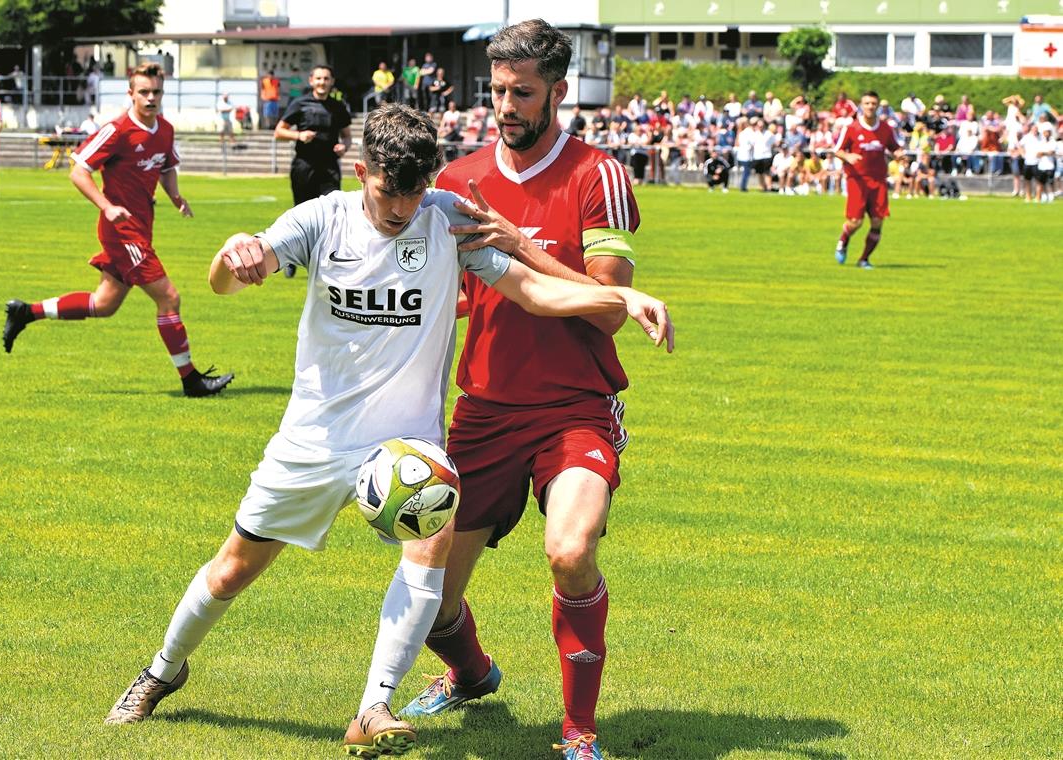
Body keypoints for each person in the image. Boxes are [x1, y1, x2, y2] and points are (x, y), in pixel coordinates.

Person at [101, 102, 672, 758]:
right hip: (315, 438)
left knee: (427, 547)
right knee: (233, 568)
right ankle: (162, 670)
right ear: (359, 169)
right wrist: (235, 259)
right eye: (387, 190)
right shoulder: (321, 218)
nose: (401, 208)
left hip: (407, 445)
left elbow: (535, 294)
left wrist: (622, 298)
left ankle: (374, 704)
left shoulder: (447, 220)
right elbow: (225, 282)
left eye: (414, 191)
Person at [396, 20, 663, 760]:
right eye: (498, 91)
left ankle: (578, 731)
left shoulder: (597, 174)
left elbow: (609, 305)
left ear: (558, 92)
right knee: (432, 597)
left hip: (574, 406)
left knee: (570, 550)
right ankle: (473, 674)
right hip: (482, 408)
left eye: (522, 93)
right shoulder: (457, 180)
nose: (506, 106)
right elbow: (446, 290)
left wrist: (522, 244)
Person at [1, 63, 233, 398]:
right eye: (144, 92)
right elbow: (78, 170)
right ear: (131, 94)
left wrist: (177, 197)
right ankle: (191, 380)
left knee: (104, 304)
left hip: (141, 229)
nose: (151, 98)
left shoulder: (165, 130)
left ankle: (26, 312)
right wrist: (106, 206)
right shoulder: (118, 130)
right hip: (123, 233)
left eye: (156, 92)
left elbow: (166, 167)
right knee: (169, 298)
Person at [275, 64, 352, 277]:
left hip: (329, 166)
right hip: (304, 165)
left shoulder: (338, 107)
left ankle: (328, 260)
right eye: (318, 78)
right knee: (300, 213)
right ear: (311, 81)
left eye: (326, 79)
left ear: (331, 82)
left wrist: (344, 146)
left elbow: (347, 136)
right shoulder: (300, 103)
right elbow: (279, 131)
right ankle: (290, 258)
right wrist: (298, 136)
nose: (322, 82)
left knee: (333, 214)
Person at [833, 90, 906, 269]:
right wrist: (848, 157)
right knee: (855, 222)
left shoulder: (885, 128)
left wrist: (899, 154)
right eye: (867, 103)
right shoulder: (852, 128)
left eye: (873, 103)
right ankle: (844, 239)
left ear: (878, 106)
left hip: (878, 180)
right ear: (861, 106)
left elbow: (894, 147)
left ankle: (864, 259)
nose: (870, 107)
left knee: (877, 221)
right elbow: (838, 150)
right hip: (858, 180)